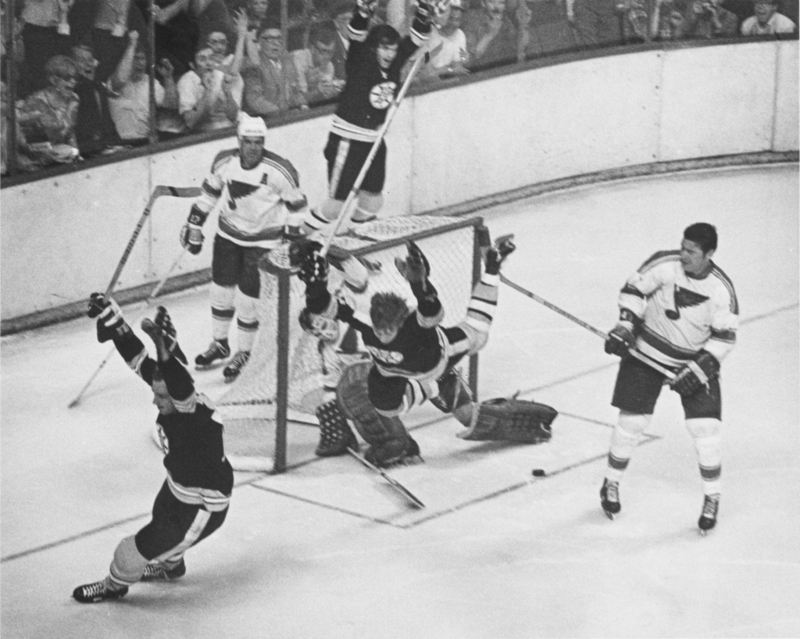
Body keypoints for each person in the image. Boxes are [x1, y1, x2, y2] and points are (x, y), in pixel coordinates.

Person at [296, 232, 557, 467]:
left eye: (389, 330)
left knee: (478, 338)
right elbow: (325, 308)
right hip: (395, 375)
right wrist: (315, 286)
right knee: (365, 396)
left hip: (438, 363)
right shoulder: (367, 324)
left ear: (401, 322)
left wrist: (419, 283)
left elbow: (430, 310)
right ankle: (397, 443)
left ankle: (492, 264)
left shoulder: (416, 326)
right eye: (379, 329)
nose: (382, 335)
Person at [72, 297, 233, 603]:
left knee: (130, 551)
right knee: (160, 517)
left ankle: (113, 586)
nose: (155, 401)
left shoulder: (192, 412)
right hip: (180, 486)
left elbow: (180, 388)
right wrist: (115, 322)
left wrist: (165, 350)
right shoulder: (174, 395)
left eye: (161, 397)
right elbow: (140, 362)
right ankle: (172, 567)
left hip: (203, 506)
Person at [600, 223, 739, 534]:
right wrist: (625, 326)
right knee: (631, 423)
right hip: (646, 353)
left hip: (690, 363)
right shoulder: (664, 264)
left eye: (691, 251)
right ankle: (611, 482)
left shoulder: (720, 290)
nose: (683, 254)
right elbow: (634, 290)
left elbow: (724, 339)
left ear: (709, 254)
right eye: (682, 246)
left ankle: (712, 498)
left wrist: (700, 369)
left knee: (705, 429)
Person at [181, 114, 310, 381]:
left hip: (263, 243)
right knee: (220, 291)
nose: (253, 147)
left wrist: (292, 240)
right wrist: (194, 224)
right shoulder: (224, 161)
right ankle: (219, 343)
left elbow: (298, 208)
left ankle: (245, 352)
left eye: (258, 142)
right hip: (228, 236)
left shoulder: (280, 170)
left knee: (248, 300)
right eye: (248, 142)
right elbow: (209, 194)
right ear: (239, 140)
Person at [305, 0, 433, 235]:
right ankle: (296, 238)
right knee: (334, 208)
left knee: (372, 202)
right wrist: (363, 13)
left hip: (374, 139)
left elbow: (416, 37)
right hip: (347, 140)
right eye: (384, 48)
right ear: (373, 48)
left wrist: (424, 13)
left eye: (393, 48)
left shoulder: (394, 61)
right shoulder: (360, 60)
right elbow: (355, 35)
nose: (390, 53)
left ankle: (354, 241)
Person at [15, 54, 81, 170]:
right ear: (53, 79)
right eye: (67, 77)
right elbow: (23, 142)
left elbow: (70, 133)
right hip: (35, 162)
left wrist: (77, 159)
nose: (73, 81)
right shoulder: (35, 102)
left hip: (62, 157)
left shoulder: (74, 99)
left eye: (75, 77)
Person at [108, 38, 179, 145]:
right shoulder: (115, 81)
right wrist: (132, 44)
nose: (140, 63)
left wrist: (168, 78)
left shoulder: (151, 82)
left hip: (145, 143)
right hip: (120, 145)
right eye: (135, 58)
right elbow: (121, 78)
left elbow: (171, 105)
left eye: (143, 58)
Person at [71, 40, 125, 157]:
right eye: (81, 60)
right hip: (87, 152)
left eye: (90, 60)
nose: (88, 64)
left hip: (106, 147)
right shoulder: (72, 91)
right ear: (72, 64)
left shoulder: (98, 87)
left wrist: (117, 143)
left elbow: (107, 122)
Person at [177, 44, 242, 132]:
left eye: (211, 58)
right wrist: (208, 91)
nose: (208, 63)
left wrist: (227, 93)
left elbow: (233, 117)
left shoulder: (222, 76)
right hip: (203, 135)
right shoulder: (187, 80)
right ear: (192, 65)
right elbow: (190, 121)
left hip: (229, 130)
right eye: (202, 59)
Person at [241, 22, 299, 116]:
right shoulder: (254, 65)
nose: (275, 43)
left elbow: (295, 93)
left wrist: (303, 105)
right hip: (267, 122)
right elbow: (255, 100)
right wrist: (282, 114)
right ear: (259, 42)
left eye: (279, 38)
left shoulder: (288, 62)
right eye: (269, 39)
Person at [290, 21, 346, 108]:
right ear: (312, 49)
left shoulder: (329, 65)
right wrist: (318, 91)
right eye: (323, 51)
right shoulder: (298, 59)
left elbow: (323, 99)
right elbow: (299, 100)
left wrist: (334, 91)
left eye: (330, 52)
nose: (327, 57)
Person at [462, 0, 520, 70]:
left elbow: (515, 55)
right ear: (483, 3)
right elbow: (467, 62)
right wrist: (490, 34)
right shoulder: (471, 20)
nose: (496, 7)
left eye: (501, 2)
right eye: (491, 2)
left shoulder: (507, 22)